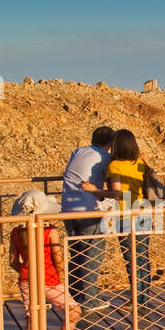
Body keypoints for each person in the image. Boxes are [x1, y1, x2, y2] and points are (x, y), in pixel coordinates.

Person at [83, 129, 157, 310]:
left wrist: (94, 190)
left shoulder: (115, 165)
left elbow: (116, 193)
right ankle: (143, 297)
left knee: (131, 258)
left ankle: (137, 300)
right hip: (144, 213)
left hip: (126, 215)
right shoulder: (140, 162)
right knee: (142, 256)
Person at [8, 191, 82, 330]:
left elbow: (12, 261)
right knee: (74, 310)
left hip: (27, 279)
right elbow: (58, 258)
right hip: (49, 278)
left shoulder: (16, 233)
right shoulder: (49, 231)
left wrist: (26, 271)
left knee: (31, 317)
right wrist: (61, 277)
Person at [60, 127, 114, 313]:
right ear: (110, 143)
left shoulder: (78, 151)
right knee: (93, 253)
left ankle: (73, 295)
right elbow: (113, 182)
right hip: (88, 211)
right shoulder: (105, 158)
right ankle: (90, 299)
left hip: (67, 209)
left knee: (75, 253)